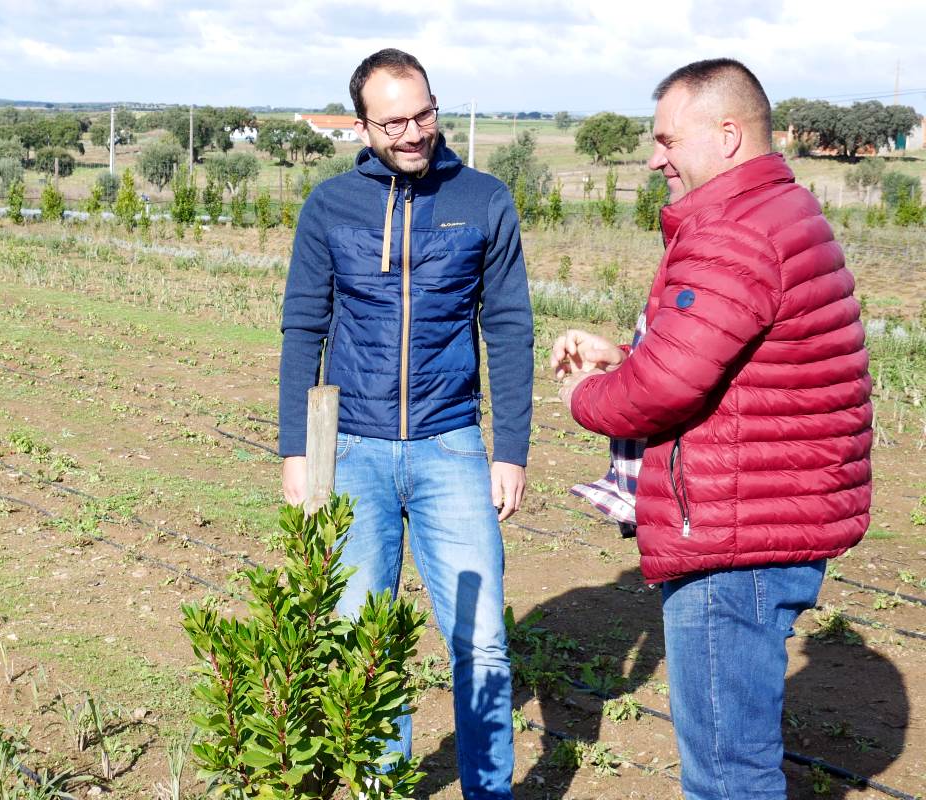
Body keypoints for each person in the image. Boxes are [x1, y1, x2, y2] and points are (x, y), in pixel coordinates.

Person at [551, 58, 871, 799]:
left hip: (734, 541)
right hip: (765, 516)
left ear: (727, 135)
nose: (655, 156)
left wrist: (587, 395)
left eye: (667, 139)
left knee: (728, 775)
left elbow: (667, 386)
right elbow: (727, 363)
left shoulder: (735, 231)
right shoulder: (779, 211)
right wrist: (627, 354)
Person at [278, 48, 532, 799]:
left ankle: (490, 791)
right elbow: (303, 329)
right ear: (362, 126)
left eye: (423, 113)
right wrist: (297, 452)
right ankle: (381, 788)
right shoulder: (330, 206)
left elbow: (509, 328)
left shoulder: (484, 199)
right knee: (362, 643)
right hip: (351, 448)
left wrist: (508, 451)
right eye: (393, 122)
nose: (414, 132)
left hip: (452, 444)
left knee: (481, 642)